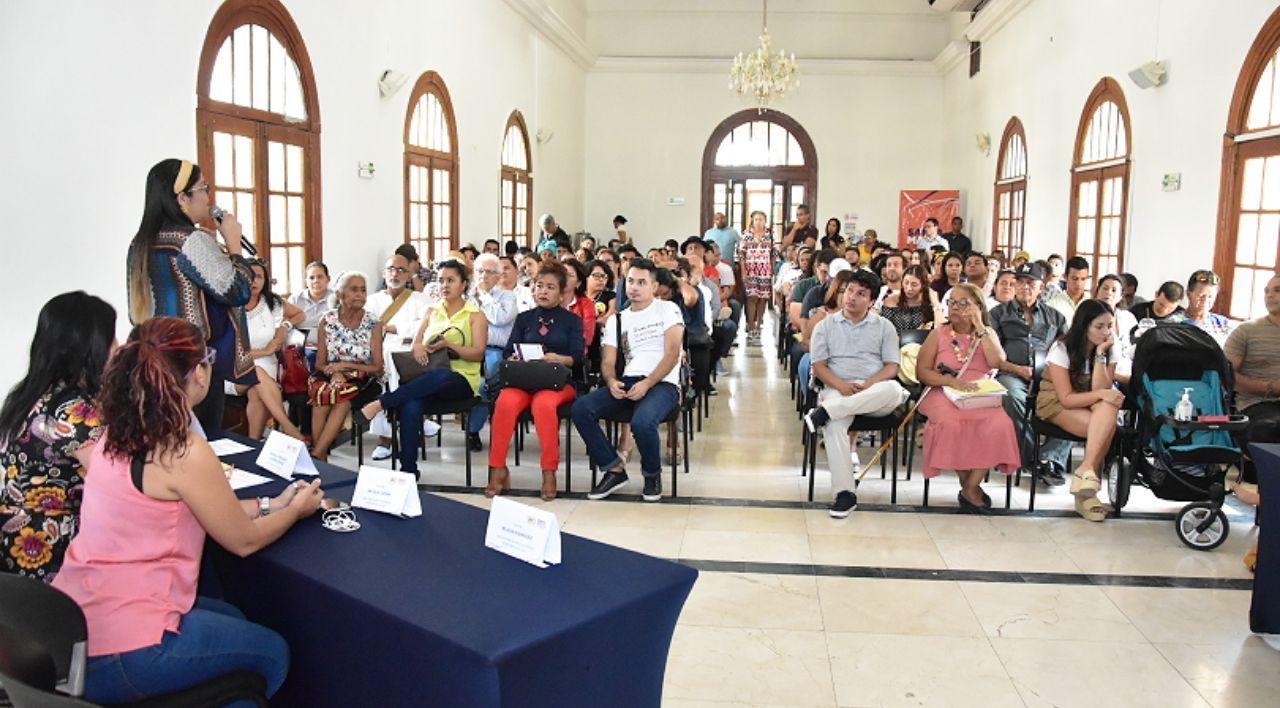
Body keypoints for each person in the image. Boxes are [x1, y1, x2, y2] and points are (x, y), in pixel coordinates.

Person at [52, 316, 323, 704]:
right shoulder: (183, 450)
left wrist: (271, 504)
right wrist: (295, 510)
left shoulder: (115, 434)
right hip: (129, 645)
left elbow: (202, 508)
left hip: (76, 624)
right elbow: (244, 542)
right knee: (273, 654)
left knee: (234, 621)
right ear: (198, 372)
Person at [126, 158, 255, 431]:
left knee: (165, 439)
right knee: (200, 439)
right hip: (191, 365)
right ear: (182, 198)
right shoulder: (189, 240)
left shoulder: (139, 243)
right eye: (203, 188)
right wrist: (234, 244)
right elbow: (238, 290)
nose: (208, 197)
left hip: (152, 360)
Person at [0, 293, 115, 582]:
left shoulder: (29, 394)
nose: (118, 348)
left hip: (16, 546)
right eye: (111, 340)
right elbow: (118, 478)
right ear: (91, 347)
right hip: (52, 553)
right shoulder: (72, 410)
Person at [360, 261, 487, 479]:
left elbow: (478, 354)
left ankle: (383, 403)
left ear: (464, 284)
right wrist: (419, 347)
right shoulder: (432, 311)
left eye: (451, 280)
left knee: (443, 375)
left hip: (461, 381)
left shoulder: (475, 315)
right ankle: (408, 471)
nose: (444, 285)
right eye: (441, 280)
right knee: (411, 404)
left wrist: (449, 345)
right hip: (428, 379)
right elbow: (416, 343)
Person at [574, 259, 684, 502]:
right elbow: (608, 361)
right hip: (629, 381)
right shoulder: (618, 319)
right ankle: (614, 469)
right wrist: (611, 381)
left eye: (642, 282)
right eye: (630, 281)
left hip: (663, 383)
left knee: (642, 423)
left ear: (654, 286)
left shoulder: (668, 309)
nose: (634, 287)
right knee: (581, 408)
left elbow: (672, 354)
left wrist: (648, 383)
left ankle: (652, 475)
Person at [802, 270, 909, 518]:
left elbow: (891, 367)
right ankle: (845, 493)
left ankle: (824, 412)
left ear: (871, 301)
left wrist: (869, 384)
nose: (852, 297)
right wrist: (841, 385)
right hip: (838, 388)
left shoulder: (884, 327)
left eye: (861, 294)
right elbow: (819, 366)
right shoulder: (825, 326)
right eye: (849, 290)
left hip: (875, 391)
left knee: (894, 389)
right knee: (834, 426)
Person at [916, 283, 1020, 512]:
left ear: (978, 306)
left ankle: (971, 486)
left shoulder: (987, 333)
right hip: (943, 390)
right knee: (950, 423)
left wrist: (980, 326)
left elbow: (997, 362)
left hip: (980, 392)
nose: (955, 307)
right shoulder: (938, 334)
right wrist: (950, 382)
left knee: (1000, 423)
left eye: (963, 303)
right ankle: (970, 487)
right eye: (952, 302)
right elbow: (922, 372)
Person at [484, 262, 584, 501]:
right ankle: (497, 469)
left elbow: (578, 358)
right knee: (505, 402)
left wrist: (558, 358)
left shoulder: (572, 320)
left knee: (543, 405)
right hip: (524, 379)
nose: (543, 291)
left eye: (550, 287)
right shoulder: (524, 318)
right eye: (539, 286)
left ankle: (549, 472)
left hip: (557, 382)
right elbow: (508, 351)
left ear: (561, 292)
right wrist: (515, 356)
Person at [1036, 300, 1124, 521]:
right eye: (1099, 326)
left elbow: (1100, 389)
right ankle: (1087, 494)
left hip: (1090, 403)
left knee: (1106, 410)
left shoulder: (1110, 348)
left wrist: (1100, 355)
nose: (1106, 332)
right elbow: (1066, 399)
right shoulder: (1062, 348)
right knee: (1105, 426)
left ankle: (1085, 471)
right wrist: (1102, 395)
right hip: (1056, 402)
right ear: (1084, 326)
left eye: (1109, 326)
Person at [989, 263, 1072, 484]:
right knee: (1012, 397)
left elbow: (1066, 350)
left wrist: (1052, 373)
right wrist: (1016, 368)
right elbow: (992, 352)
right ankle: (1032, 458)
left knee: (1071, 400)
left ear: (1041, 288)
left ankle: (1050, 458)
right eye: (1020, 282)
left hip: (1047, 376)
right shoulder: (998, 314)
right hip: (1011, 373)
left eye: (1030, 283)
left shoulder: (1056, 317)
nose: (1024, 287)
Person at [309, 272, 384, 461]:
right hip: (330, 374)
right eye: (354, 289)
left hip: (364, 378)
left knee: (342, 399)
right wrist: (335, 373)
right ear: (339, 294)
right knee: (321, 400)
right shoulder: (327, 320)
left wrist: (344, 367)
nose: (360, 294)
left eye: (363, 290)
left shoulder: (373, 323)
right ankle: (321, 458)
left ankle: (317, 455)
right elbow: (320, 363)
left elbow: (377, 366)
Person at [229, 260, 306, 441]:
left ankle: (254, 443)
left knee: (257, 392)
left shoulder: (272, 302)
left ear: (265, 281)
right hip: (235, 368)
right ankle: (288, 427)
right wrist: (264, 351)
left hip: (268, 367)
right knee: (255, 372)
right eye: (249, 276)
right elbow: (231, 351)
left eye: (259, 277)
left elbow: (300, 314)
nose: (254, 281)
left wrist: (285, 325)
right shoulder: (229, 306)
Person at [365, 254, 432, 461]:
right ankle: (385, 438)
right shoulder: (373, 301)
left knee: (401, 367)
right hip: (381, 354)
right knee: (385, 366)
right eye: (391, 269)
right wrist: (388, 331)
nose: (395, 274)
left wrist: (394, 328)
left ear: (410, 274)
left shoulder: (421, 299)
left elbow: (426, 325)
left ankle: (413, 425)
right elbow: (368, 328)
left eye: (401, 270)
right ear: (384, 273)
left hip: (411, 355)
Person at [1224, 274, 1280, 485]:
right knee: (1269, 428)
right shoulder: (1247, 331)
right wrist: (1271, 387)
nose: (1270, 295)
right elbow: (1228, 376)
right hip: (1257, 405)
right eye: (1267, 291)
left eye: (1277, 290)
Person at [466, 253, 518, 451]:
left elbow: (499, 318)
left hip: (496, 351)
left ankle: (497, 431)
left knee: (490, 384)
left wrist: (485, 296)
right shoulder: (465, 298)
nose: (484, 276)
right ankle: (473, 431)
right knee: (478, 386)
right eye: (480, 271)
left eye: (489, 272)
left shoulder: (507, 297)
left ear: (498, 276)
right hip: (469, 350)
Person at [736, 210, 774, 344]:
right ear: (752, 221)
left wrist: (772, 269)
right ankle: (751, 327)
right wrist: (743, 272)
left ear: (765, 221)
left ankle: (758, 327)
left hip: (765, 270)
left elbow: (773, 254)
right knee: (752, 298)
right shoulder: (746, 235)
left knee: (762, 299)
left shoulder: (769, 235)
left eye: (761, 219)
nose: (758, 222)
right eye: (756, 219)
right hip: (750, 270)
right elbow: (741, 255)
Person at [1094, 274, 1139, 369]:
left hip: (1127, 369)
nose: (1109, 293)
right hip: (1099, 368)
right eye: (1105, 288)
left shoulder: (1128, 317)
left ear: (1121, 296)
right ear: (1097, 291)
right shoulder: (1088, 314)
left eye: (1114, 290)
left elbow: (1136, 345)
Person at [879, 265, 938, 332]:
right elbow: (885, 329)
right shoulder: (890, 301)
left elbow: (940, 328)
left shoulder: (930, 302)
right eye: (906, 283)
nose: (909, 288)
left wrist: (936, 304)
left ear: (923, 285)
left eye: (914, 285)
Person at [1183, 270, 1233, 346]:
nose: (1205, 301)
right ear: (1188, 294)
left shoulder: (1223, 323)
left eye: (1210, 296)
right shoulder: (1173, 323)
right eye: (1201, 296)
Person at [562, 258, 598, 363]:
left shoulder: (586, 304)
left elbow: (587, 338)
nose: (564, 278)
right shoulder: (550, 301)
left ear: (578, 282)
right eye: (562, 273)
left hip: (574, 357)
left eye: (570, 275)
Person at [291, 261, 332, 346]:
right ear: (306, 281)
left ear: (328, 279)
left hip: (328, 346)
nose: (316, 281)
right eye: (311, 278)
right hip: (300, 346)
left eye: (320, 277)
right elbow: (285, 326)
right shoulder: (295, 299)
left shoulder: (336, 299)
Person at [1045, 256, 1091, 323]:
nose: (1079, 283)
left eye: (1083, 279)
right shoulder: (1052, 305)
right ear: (1065, 277)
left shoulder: (1092, 304)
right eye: (1074, 279)